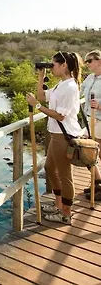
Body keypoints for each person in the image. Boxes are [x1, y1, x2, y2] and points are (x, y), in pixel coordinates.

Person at [26, 51, 84, 224]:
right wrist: (41, 77)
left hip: (64, 136)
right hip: (55, 134)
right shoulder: (61, 84)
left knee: (65, 175)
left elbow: (60, 116)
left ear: (64, 65)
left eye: (53, 65)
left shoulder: (70, 87)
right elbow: (42, 96)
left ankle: (65, 214)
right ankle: (59, 204)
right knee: (50, 168)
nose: (51, 68)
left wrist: (37, 106)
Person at [81, 50, 101, 198]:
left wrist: (100, 105)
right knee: (86, 151)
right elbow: (78, 92)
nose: (87, 63)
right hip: (90, 119)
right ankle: (97, 181)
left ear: (99, 62)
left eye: (89, 61)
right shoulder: (89, 78)